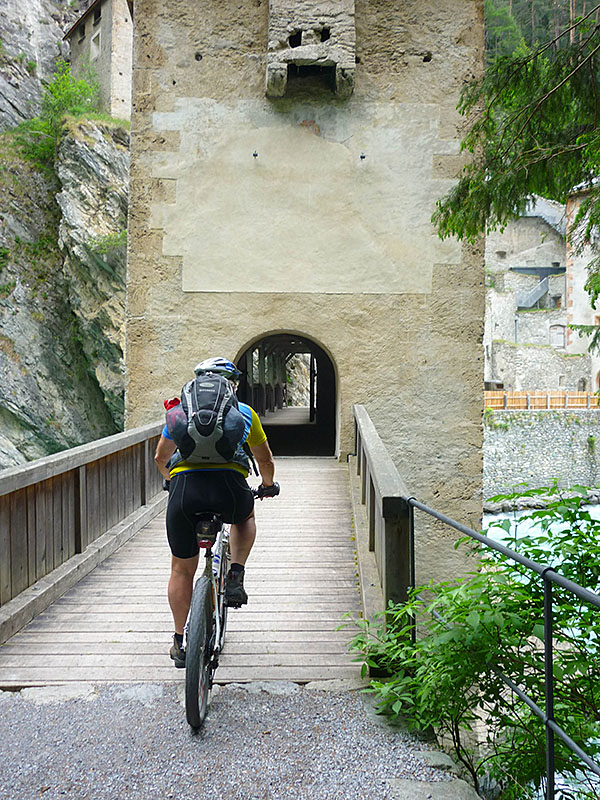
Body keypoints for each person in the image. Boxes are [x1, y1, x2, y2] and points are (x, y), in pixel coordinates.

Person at [154, 356, 277, 668]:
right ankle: (235, 573)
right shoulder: (244, 413)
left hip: (185, 491)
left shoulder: (179, 412)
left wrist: (172, 482)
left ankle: (181, 641)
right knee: (244, 517)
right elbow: (265, 459)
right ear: (231, 385)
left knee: (181, 570)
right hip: (228, 489)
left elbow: (160, 457)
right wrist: (267, 484)